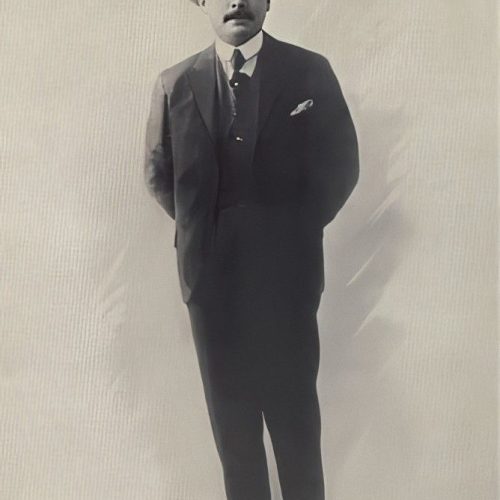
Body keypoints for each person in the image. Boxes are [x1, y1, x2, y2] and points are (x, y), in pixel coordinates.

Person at [144, 1, 359, 498]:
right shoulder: (175, 83)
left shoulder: (309, 71)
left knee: (295, 426)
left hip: (287, 279)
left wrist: (292, 232)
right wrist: (208, 232)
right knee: (234, 434)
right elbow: (159, 174)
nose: (236, 1)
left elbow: (341, 163)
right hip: (210, 284)